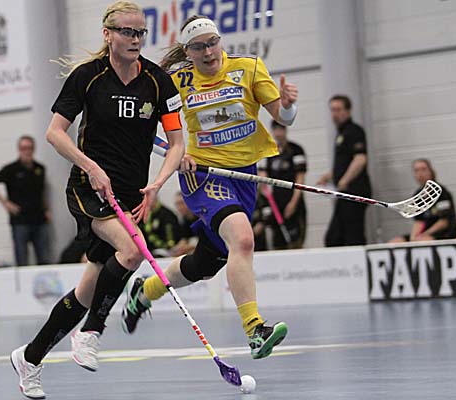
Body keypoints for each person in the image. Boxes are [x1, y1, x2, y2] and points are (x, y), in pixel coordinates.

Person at [9, 2, 184, 398]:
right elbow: (55, 133)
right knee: (132, 251)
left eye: (140, 32)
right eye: (127, 32)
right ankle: (91, 332)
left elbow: (176, 143)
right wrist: (90, 166)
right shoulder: (87, 77)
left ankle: (30, 358)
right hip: (89, 188)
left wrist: (158, 183)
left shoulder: (158, 82)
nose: (135, 39)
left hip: (130, 196)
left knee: (87, 291)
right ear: (108, 34)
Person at [121, 16, 298, 361]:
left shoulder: (248, 68)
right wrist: (176, 152)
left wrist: (288, 105)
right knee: (243, 239)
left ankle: (145, 291)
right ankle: (255, 330)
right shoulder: (176, 81)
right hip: (203, 175)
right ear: (188, 51)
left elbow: (284, 118)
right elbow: (143, 127)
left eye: (212, 42)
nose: (208, 52)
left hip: (244, 176)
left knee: (205, 263)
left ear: (220, 41)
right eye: (199, 47)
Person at [0, 136, 51, 266]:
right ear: (19, 150)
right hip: (20, 221)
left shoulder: (40, 169)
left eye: (29, 148)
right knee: (22, 259)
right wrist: (5, 202)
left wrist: (47, 209)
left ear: (33, 149)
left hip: (39, 219)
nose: (27, 151)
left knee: (44, 258)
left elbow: (42, 192)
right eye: (24, 148)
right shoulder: (11, 169)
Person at [317, 95, 371, 247]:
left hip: (354, 192)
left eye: (338, 109)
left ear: (348, 110)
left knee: (353, 235)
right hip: (344, 193)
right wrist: (330, 176)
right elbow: (345, 162)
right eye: (332, 110)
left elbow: (360, 159)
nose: (334, 114)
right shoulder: (340, 133)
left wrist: (344, 180)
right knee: (334, 237)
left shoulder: (354, 131)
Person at [257, 120, 307, 249]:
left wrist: (293, 203)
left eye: (281, 130)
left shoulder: (296, 150)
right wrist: (265, 190)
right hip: (275, 202)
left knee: (295, 241)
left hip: (292, 200)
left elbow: (300, 178)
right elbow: (262, 177)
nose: (278, 133)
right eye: (276, 130)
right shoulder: (268, 152)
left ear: (285, 130)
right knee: (278, 242)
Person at [389, 159, 456, 243]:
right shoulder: (417, 195)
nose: (420, 173)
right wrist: (413, 238)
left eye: (423, 169)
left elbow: (443, 222)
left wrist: (424, 235)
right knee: (396, 241)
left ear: (431, 171)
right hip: (424, 234)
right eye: (416, 170)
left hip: (443, 234)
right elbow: (418, 221)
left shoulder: (441, 192)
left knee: (424, 241)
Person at [170, 191, 199, 256]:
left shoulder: (201, 218)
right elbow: (184, 238)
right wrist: (179, 248)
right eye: (177, 204)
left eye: (181, 203)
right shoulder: (184, 220)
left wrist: (187, 247)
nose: (179, 207)